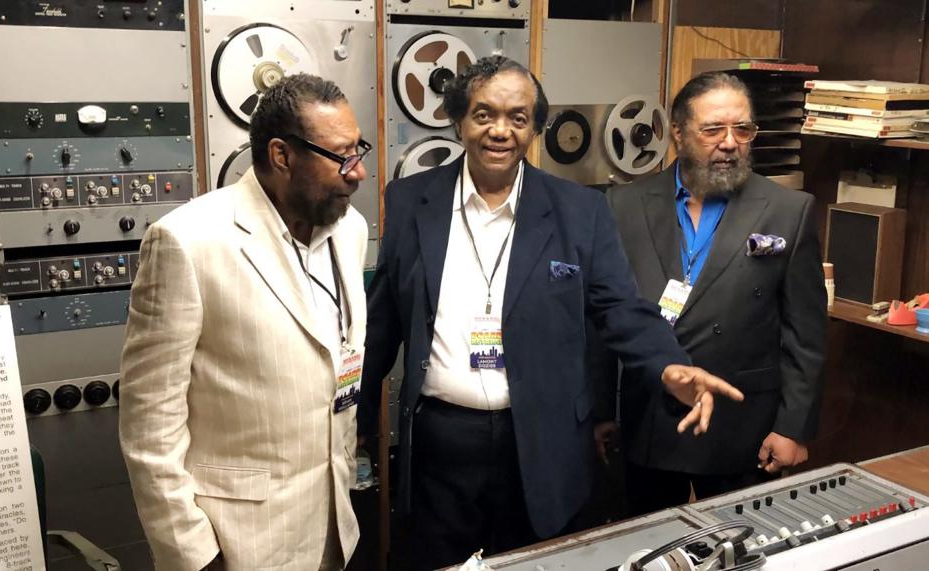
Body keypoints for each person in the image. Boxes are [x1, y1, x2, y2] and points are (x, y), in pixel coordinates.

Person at [358, 56, 744, 570]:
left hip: (541, 439)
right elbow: (382, 321)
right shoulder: (411, 200)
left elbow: (620, 307)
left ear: (536, 128)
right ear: (458, 121)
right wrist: (356, 417)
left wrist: (667, 364)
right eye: (484, 114)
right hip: (441, 443)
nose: (501, 131)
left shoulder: (578, 210)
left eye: (518, 118)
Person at [119, 73, 372, 571]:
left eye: (357, 149)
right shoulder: (187, 243)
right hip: (238, 544)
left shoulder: (350, 230)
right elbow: (149, 431)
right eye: (342, 155)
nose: (358, 172)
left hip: (333, 527)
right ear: (282, 156)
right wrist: (195, 556)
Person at [597, 71, 827, 515]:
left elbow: (806, 334)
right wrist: (602, 409)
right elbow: (602, 320)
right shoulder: (622, 205)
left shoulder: (788, 211)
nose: (730, 142)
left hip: (743, 427)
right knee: (646, 551)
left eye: (743, 129)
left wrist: (794, 428)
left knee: (742, 553)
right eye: (713, 129)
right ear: (679, 134)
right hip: (649, 421)